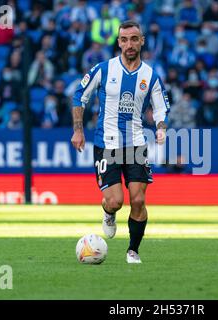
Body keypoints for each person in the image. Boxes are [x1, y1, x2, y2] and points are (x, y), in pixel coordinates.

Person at [71, 21, 170, 263]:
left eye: (134, 39)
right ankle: (108, 213)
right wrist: (78, 131)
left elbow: (161, 109)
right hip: (107, 144)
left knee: (138, 199)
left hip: (136, 143)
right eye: (124, 39)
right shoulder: (103, 69)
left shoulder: (151, 76)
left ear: (142, 41)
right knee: (115, 201)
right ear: (118, 43)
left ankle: (133, 250)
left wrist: (160, 128)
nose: (129, 44)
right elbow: (79, 96)